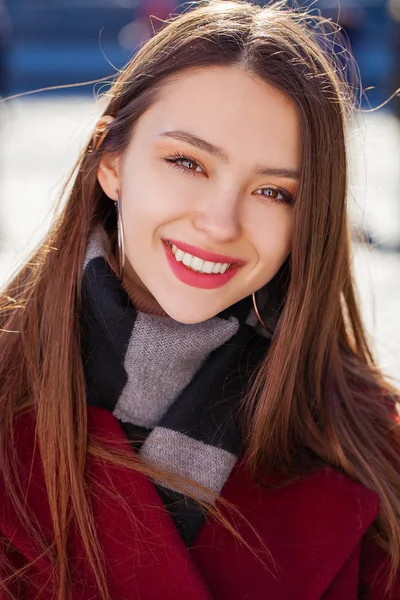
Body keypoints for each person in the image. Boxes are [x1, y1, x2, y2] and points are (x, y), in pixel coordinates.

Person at [0, 1, 399, 598]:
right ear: (111, 161)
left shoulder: (368, 449)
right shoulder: (13, 402)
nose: (219, 222)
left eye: (273, 191)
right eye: (187, 162)